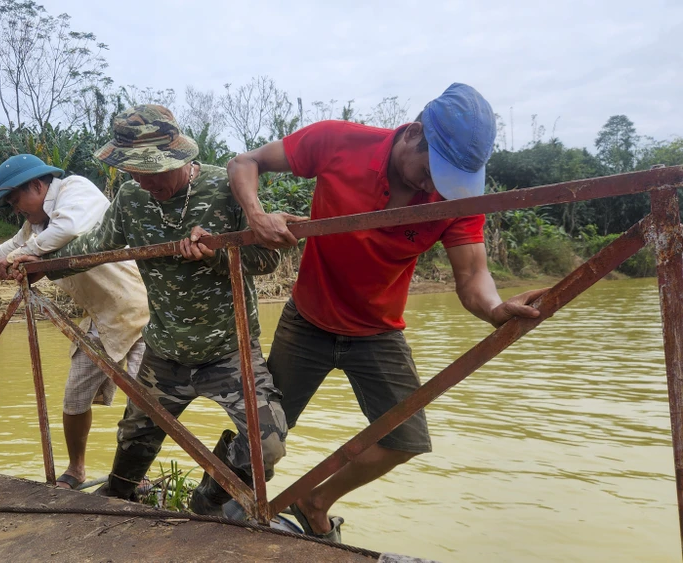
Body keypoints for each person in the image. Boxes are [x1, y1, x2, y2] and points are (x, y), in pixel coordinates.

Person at [226, 83, 548, 540]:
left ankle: (313, 500)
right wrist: (257, 215)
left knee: (405, 440)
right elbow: (244, 161)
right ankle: (219, 495)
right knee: (263, 430)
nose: (434, 187)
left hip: (378, 331)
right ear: (414, 133)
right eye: (431, 170)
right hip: (308, 321)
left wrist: (496, 309)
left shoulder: (453, 200)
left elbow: (473, 275)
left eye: (448, 181)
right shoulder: (339, 141)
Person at [7, 105, 288, 518]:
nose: (142, 180)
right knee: (134, 439)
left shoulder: (222, 188)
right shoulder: (132, 197)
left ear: (180, 157)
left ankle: (210, 498)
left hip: (229, 350)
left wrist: (216, 251)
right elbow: (95, 246)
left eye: (151, 170)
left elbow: (266, 262)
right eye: (134, 171)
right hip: (165, 352)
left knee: (267, 444)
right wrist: (38, 266)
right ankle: (119, 500)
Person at [0, 154, 149, 491]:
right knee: (74, 398)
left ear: (39, 186)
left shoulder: (75, 190)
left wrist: (19, 257)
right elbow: (3, 251)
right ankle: (76, 470)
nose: (16, 209)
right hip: (100, 318)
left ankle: (133, 476)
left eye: (15, 200)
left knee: (143, 402)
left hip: (139, 311)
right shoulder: (34, 229)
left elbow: (68, 228)